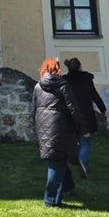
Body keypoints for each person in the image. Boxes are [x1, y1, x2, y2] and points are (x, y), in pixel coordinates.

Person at [32, 57, 88, 207]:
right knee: (57, 162)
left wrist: (37, 129)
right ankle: (51, 201)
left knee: (58, 157)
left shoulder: (37, 87)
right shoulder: (63, 85)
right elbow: (74, 109)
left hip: (44, 128)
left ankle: (68, 187)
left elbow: (34, 109)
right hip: (62, 128)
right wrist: (84, 129)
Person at [63, 57, 107, 179]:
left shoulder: (64, 81)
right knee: (85, 142)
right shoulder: (87, 79)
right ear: (80, 67)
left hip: (70, 115)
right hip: (86, 115)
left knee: (71, 141)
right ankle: (82, 163)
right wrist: (103, 109)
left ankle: (69, 163)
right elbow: (94, 95)